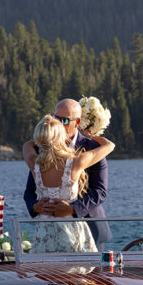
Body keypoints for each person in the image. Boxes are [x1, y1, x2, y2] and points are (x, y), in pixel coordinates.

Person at [22, 99, 113, 248]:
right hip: (48, 231)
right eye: (56, 118)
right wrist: (35, 207)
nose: (58, 123)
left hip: (89, 226)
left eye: (63, 120)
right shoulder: (40, 150)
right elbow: (30, 190)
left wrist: (72, 209)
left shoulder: (91, 147)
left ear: (77, 123)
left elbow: (100, 191)